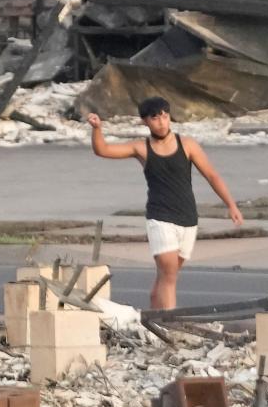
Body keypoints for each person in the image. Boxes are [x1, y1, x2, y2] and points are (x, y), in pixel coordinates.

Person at [86, 97, 243, 310]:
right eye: (155, 118)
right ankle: (171, 325)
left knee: (167, 277)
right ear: (145, 122)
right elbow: (102, 150)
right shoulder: (141, 148)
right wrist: (97, 129)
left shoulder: (187, 145)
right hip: (160, 218)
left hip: (188, 218)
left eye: (165, 116)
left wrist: (231, 205)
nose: (161, 122)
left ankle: (154, 318)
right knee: (169, 275)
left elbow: (212, 176)